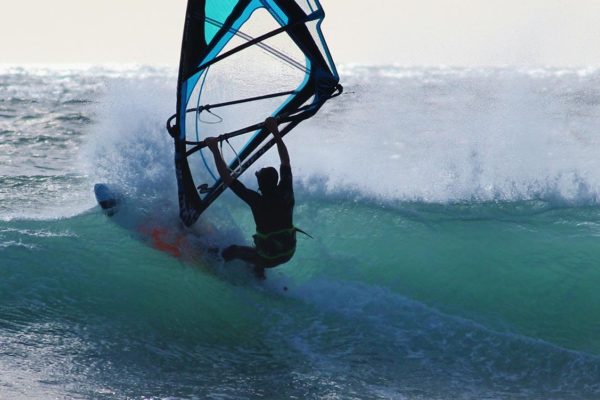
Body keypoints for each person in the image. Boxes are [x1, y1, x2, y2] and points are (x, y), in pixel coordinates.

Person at [205, 117, 296, 279]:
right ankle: (258, 275)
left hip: (269, 256)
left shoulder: (257, 201)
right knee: (263, 247)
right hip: (289, 251)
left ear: (260, 184)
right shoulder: (286, 191)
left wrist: (214, 150)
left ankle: (210, 265)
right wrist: (275, 131)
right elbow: (285, 160)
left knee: (234, 250)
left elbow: (227, 179)